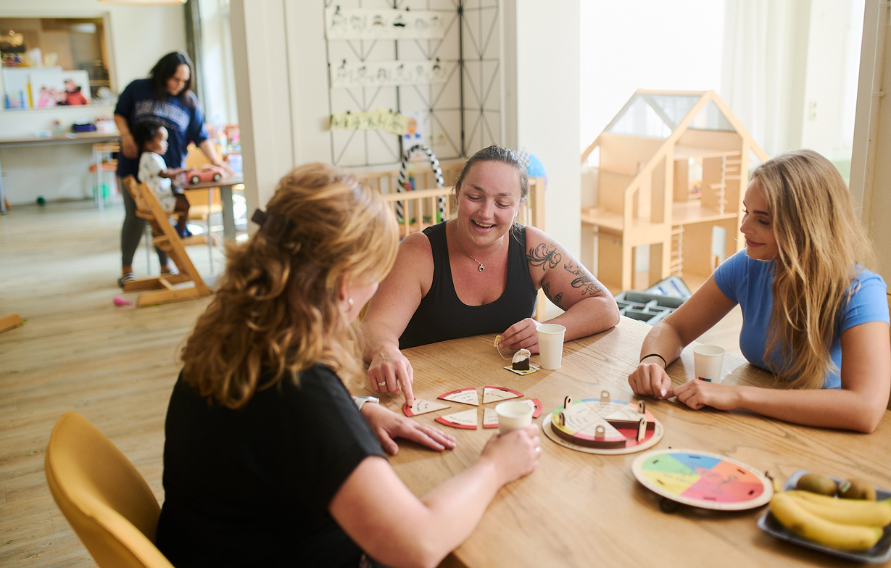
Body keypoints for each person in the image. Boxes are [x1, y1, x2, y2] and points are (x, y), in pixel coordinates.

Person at [156, 164, 541, 568]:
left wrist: (355, 411)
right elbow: (419, 546)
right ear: (343, 286)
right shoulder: (298, 387)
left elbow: (266, 430)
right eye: (376, 273)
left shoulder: (236, 332)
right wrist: (495, 466)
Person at [627, 149, 890, 433]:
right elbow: (673, 328)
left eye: (763, 220)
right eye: (746, 212)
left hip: (825, 436)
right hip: (760, 428)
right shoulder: (746, 266)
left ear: (806, 226)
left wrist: (739, 396)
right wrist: (652, 361)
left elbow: (865, 408)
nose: (743, 227)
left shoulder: (861, 290)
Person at [360, 145, 620, 404]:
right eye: (475, 197)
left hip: (505, 394)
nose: (485, 213)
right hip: (421, 394)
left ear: (519, 205)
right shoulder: (419, 251)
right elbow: (375, 327)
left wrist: (547, 331)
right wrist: (385, 350)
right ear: (457, 193)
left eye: (502, 203)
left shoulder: (533, 248)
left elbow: (605, 306)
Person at [114, 51, 231, 287]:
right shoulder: (138, 88)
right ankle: (127, 269)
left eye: (184, 81)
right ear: (163, 74)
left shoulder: (188, 101)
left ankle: (166, 266)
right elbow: (119, 114)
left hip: (169, 172)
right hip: (133, 167)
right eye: (175, 79)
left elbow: (201, 136)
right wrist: (126, 135)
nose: (179, 85)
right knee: (135, 218)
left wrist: (216, 160)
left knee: (163, 218)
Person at [133, 119, 191, 238]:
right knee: (185, 204)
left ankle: (179, 228)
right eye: (162, 140)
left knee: (182, 198)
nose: (166, 144)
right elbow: (164, 173)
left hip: (158, 198)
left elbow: (160, 174)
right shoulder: (151, 157)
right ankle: (180, 230)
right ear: (149, 143)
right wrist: (180, 170)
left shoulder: (151, 157)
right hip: (158, 201)